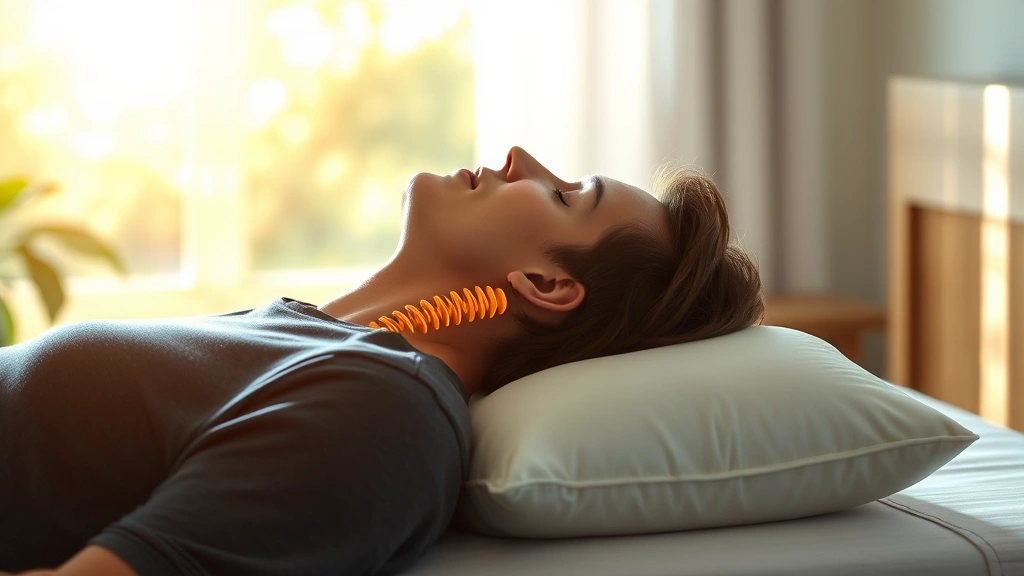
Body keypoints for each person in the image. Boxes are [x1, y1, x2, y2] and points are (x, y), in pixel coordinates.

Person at [0, 146, 764, 576]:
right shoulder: (307, 340)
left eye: (565, 196)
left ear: (546, 284)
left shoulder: (380, 414)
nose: (519, 157)